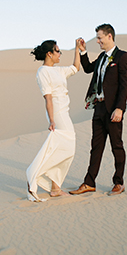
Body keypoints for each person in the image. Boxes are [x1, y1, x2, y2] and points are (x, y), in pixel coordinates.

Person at [70, 24, 127, 196]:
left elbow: (125, 86)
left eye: (99, 38)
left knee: (116, 146)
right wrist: (82, 51)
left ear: (109, 37)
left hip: (113, 109)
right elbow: (89, 68)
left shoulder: (122, 56)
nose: (98, 41)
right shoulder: (102, 58)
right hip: (99, 108)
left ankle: (119, 182)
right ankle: (89, 183)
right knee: (96, 147)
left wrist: (120, 108)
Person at [26, 39, 80, 202]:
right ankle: (34, 174)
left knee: (64, 148)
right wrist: (51, 120)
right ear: (49, 53)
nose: (60, 54)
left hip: (65, 110)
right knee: (68, 147)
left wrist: (78, 49)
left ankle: (56, 188)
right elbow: (48, 98)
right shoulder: (42, 72)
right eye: (58, 51)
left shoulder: (59, 71)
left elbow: (75, 68)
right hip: (57, 112)